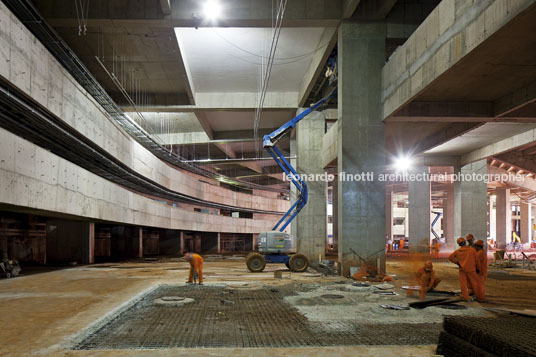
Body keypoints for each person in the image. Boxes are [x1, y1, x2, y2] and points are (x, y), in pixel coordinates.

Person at [448, 237, 484, 302]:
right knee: (475, 283)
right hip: (471, 269)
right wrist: (478, 268)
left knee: (463, 284)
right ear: (465, 242)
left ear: (459, 244)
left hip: (462, 270)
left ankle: (465, 297)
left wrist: (457, 263)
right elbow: (477, 260)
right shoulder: (472, 250)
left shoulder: (457, 251)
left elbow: (450, 257)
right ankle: (480, 297)